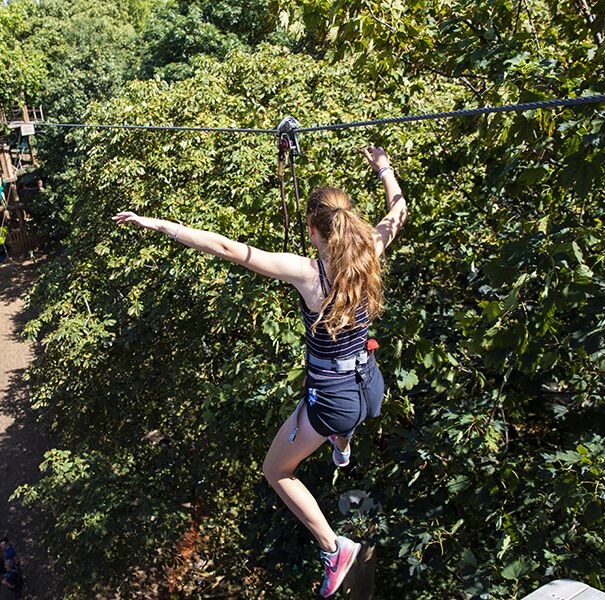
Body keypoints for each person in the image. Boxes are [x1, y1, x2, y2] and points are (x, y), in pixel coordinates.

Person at [112, 145, 407, 597]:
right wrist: (384, 168)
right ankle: (341, 448)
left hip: (336, 400)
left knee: (276, 471)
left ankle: (334, 549)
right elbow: (398, 210)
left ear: (313, 230)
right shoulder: (369, 252)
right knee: (343, 421)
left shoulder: (311, 274)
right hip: (370, 385)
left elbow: (229, 248)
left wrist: (158, 224)